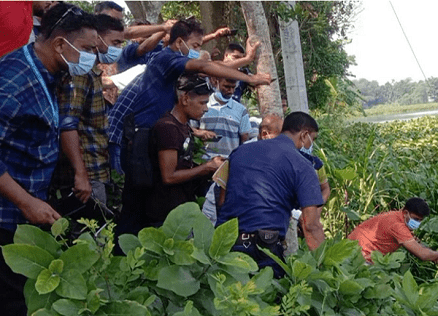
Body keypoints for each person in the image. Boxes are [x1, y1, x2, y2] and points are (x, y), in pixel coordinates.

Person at [108, 17, 270, 239]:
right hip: (140, 136)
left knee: (146, 199)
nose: (197, 51)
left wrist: (248, 61)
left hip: (146, 135)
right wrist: (250, 79)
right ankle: (123, 252)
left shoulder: (173, 66)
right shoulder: (168, 59)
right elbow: (205, 65)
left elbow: (213, 68)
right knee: (136, 200)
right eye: (195, 46)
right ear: (179, 42)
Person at [0, 3, 97, 313]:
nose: (91, 58)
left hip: (26, 210)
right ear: (59, 44)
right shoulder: (14, 81)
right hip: (7, 215)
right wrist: (26, 202)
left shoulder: (48, 72)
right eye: (86, 49)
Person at [216, 112, 325, 278]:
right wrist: (326, 268)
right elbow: (310, 225)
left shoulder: (239, 152)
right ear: (304, 135)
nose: (311, 144)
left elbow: (222, 201)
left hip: (225, 244)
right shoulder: (303, 166)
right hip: (263, 250)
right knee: (264, 299)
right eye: (313, 139)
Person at [50, 14, 125, 214]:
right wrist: (80, 173)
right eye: (115, 42)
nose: (117, 49)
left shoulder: (91, 72)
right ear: (97, 38)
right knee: (91, 235)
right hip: (87, 173)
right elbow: (67, 123)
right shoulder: (80, 74)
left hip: (95, 168)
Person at [146, 74, 225, 226]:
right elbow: (168, 176)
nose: (206, 109)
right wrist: (205, 168)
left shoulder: (183, 126)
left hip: (181, 210)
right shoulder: (168, 128)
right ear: (185, 99)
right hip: (165, 215)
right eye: (202, 103)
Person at [348, 197, 438, 264]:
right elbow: (422, 254)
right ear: (406, 212)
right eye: (416, 219)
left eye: (420, 220)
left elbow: (415, 244)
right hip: (360, 255)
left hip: (353, 247)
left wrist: (430, 254)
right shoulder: (398, 226)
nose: (418, 222)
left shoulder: (397, 216)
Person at [199, 76, 252, 159]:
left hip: (228, 163)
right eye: (226, 86)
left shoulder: (241, 110)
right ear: (215, 82)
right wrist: (201, 133)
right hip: (202, 162)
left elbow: (245, 140)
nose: (231, 91)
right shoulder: (202, 104)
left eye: (233, 87)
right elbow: (190, 129)